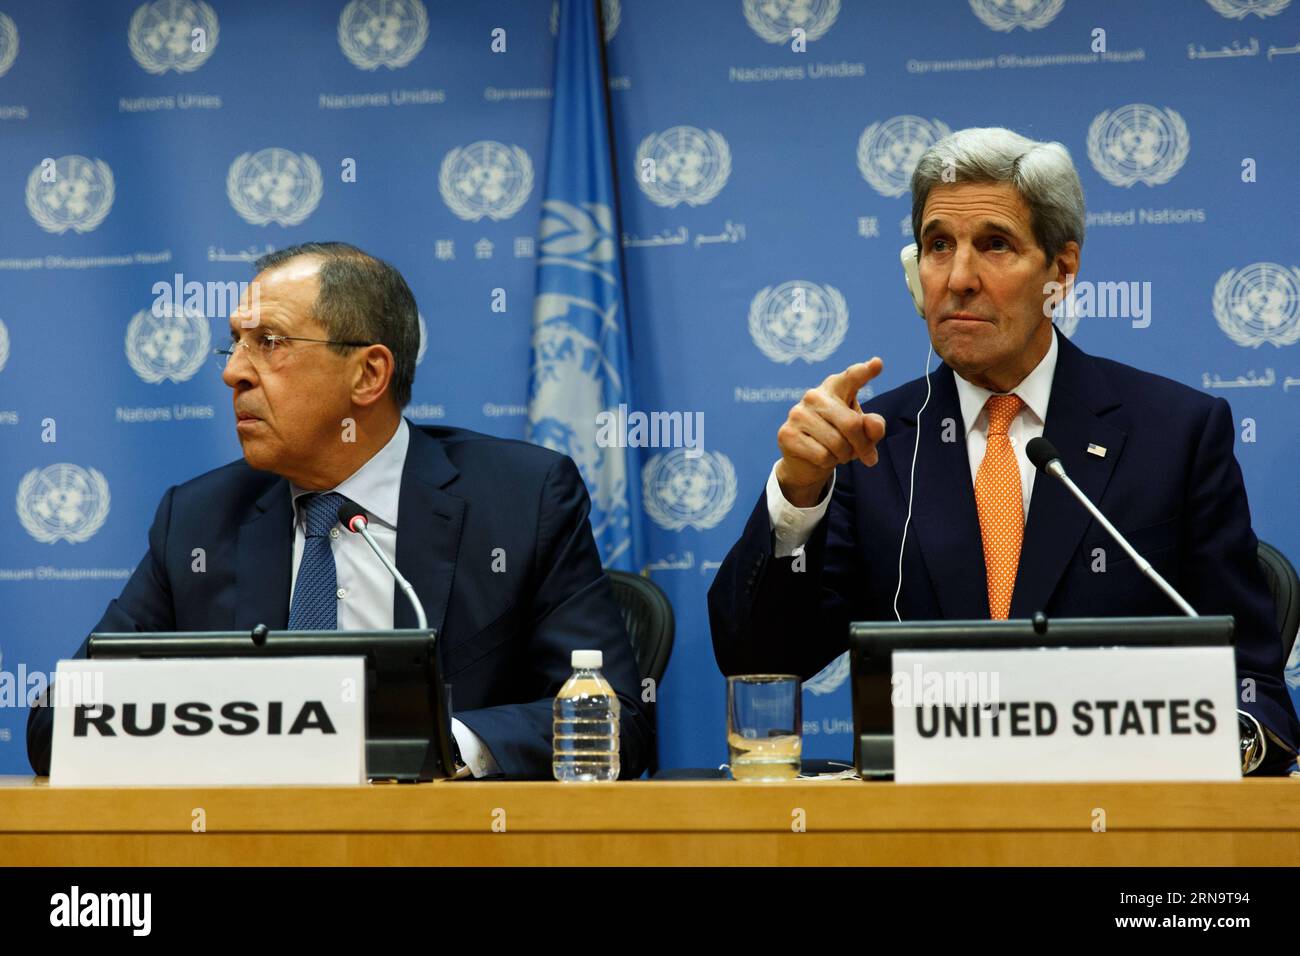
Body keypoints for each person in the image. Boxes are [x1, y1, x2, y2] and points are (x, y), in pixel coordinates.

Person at [708, 127, 1299, 774]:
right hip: (926, 838)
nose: (959, 278)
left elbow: (1251, 686)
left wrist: (1231, 752)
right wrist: (797, 492)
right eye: (938, 246)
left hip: (1122, 830)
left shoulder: (1176, 434)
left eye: (994, 245)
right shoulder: (870, 446)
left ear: (1061, 273)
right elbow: (757, 659)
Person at [27, 242, 651, 779]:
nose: (234, 374)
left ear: (368, 374)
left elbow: (615, 715)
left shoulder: (522, 498)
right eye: (235, 346)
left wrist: (435, 750)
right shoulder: (197, 520)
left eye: (268, 342)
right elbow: (58, 723)